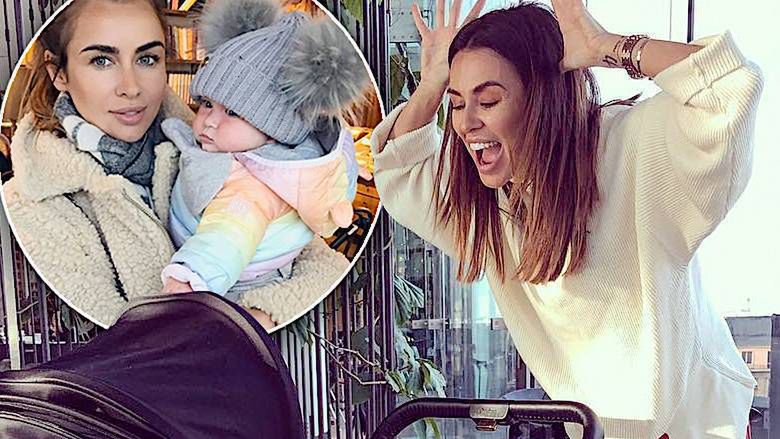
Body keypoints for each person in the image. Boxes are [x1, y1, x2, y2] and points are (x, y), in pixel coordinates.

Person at [370, 0, 763, 437]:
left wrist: (605, 45)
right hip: (597, 428)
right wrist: (431, 87)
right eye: (458, 103)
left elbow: (730, 88)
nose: (466, 124)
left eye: (489, 100)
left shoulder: (628, 149)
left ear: (541, 95)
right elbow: (400, 170)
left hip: (697, 423)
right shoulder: (488, 204)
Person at [2, 0, 353, 331]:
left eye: (147, 58)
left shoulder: (206, 147)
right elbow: (123, 338)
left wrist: (262, 315)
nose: (131, 88)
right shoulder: (33, 207)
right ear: (58, 72)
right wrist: (251, 322)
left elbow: (324, 265)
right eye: (102, 61)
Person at [159, 0, 367, 330]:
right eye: (207, 104)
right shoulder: (234, 149)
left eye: (233, 113)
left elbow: (227, 236)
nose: (209, 121)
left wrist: (186, 283)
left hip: (230, 285)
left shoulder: (251, 187)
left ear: (274, 130)